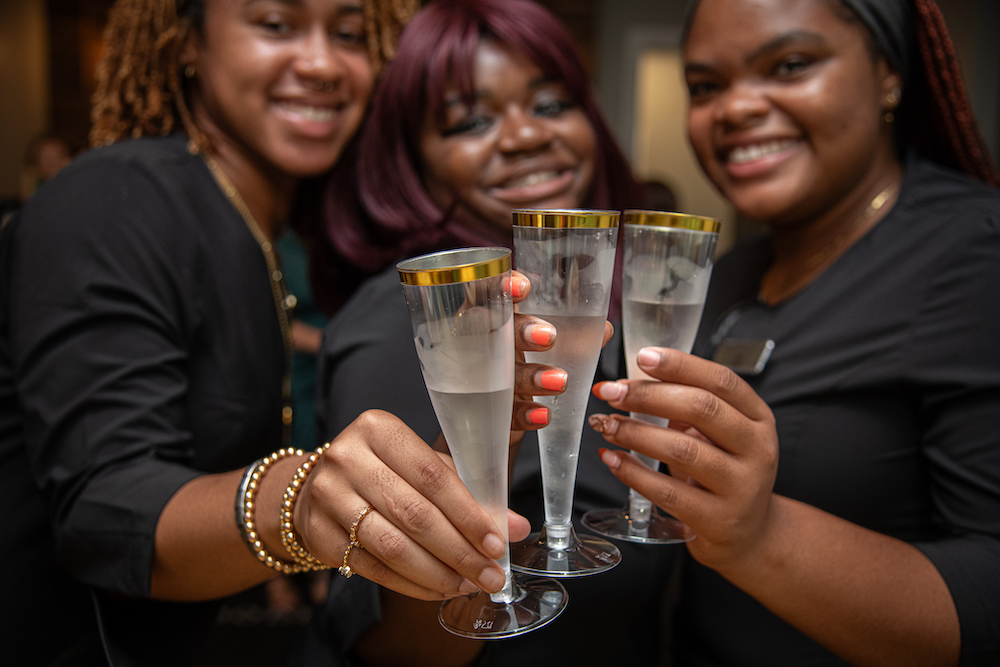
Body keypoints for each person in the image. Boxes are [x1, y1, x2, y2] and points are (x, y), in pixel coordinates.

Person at [0, 0, 558, 664]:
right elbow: (104, 513)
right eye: (275, 24)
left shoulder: (270, 228)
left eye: (348, 34)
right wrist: (300, 501)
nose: (322, 63)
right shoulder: (113, 198)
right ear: (185, 41)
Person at [587, 0, 1000, 665]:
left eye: (790, 65)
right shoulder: (728, 273)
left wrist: (762, 534)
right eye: (706, 86)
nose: (735, 108)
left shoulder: (976, 254)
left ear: (889, 73)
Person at [298, 1, 676, 665]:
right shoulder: (405, 320)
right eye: (472, 121)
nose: (525, 135)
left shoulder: (589, 303)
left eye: (551, 103)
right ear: (412, 159)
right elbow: (396, 646)